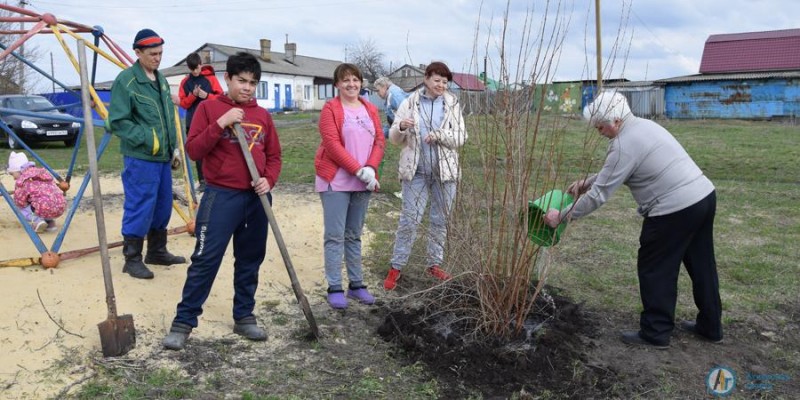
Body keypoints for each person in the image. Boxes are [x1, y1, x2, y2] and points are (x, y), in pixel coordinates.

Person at [543, 91, 723, 349]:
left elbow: (599, 196)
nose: (598, 131)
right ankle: (711, 326)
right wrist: (588, 181)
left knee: (655, 268)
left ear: (615, 120)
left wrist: (560, 217)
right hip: (702, 197)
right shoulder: (644, 126)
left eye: (600, 126)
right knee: (702, 264)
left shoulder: (623, 144)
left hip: (673, 210)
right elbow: (619, 169)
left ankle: (656, 332)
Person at [162, 52, 282, 350]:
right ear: (226, 78)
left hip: (256, 199)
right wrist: (222, 122)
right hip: (221, 196)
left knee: (250, 259)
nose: (247, 88)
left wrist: (269, 179)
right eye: (241, 81)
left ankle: (244, 316)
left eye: (253, 83)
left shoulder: (263, 116)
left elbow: (275, 156)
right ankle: (183, 322)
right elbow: (193, 150)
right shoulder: (209, 108)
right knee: (205, 259)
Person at [108, 28, 186, 280]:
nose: (157, 58)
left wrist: (171, 147)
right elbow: (118, 122)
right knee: (140, 205)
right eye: (152, 53)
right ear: (138, 52)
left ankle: (157, 251)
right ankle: (131, 259)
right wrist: (150, 140)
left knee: (163, 204)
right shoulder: (126, 81)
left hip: (162, 158)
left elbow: (166, 117)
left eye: (161, 53)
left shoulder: (161, 80)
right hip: (141, 158)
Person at [383, 62, 467, 290]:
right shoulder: (410, 102)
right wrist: (400, 126)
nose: (441, 85)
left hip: (445, 174)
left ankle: (434, 264)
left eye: (445, 81)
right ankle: (396, 266)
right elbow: (393, 138)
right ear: (427, 79)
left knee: (440, 220)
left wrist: (439, 135)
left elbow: (461, 137)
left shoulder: (452, 103)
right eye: (437, 80)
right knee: (410, 220)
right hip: (416, 172)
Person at [315, 63, 385, 309]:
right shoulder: (330, 109)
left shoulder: (370, 108)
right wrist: (358, 170)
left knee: (354, 235)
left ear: (361, 83)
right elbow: (332, 145)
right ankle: (335, 287)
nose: (351, 84)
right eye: (345, 80)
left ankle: (356, 286)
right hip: (337, 180)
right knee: (335, 236)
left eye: (355, 79)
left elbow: (379, 140)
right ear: (337, 85)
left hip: (364, 180)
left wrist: (372, 168)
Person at [178, 52, 223, 193]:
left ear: (200, 65)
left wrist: (207, 96)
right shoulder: (185, 82)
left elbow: (221, 98)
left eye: (197, 68)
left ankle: (216, 179)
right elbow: (183, 104)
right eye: (192, 70)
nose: (195, 72)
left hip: (211, 120)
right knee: (198, 153)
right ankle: (202, 181)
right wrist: (193, 96)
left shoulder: (211, 79)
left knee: (215, 150)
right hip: (192, 122)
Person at [8, 151, 65, 233]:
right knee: (43, 200)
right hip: (60, 206)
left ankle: (37, 221)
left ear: (18, 170)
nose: (13, 178)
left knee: (20, 208)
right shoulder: (41, 173)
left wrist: (22, 203)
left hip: (44, 208)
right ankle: (50, 224)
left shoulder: (22, 180)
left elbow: (19, 201)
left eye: (12, 174)